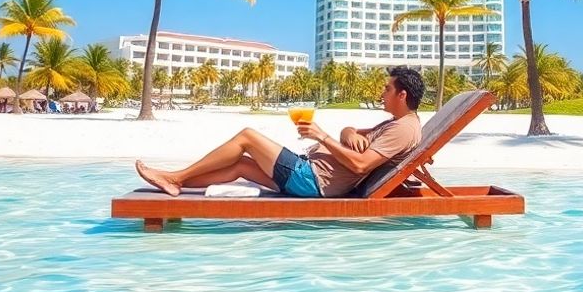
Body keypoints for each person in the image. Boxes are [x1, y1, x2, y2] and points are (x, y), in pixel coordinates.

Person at [134, 66, 424, 198]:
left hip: (312, 180)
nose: (382, 93)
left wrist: (321, 136)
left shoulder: (404, 129)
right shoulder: (395, 123)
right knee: (240, 165)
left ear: (402, 95)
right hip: (310, 174)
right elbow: (351, 132)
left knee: (247, 136)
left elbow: (360, 165)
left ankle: (176, 177)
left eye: (387, 89)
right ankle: (177, 183)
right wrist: (349, 133)